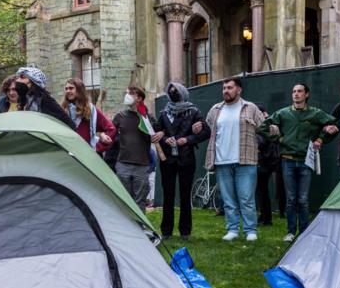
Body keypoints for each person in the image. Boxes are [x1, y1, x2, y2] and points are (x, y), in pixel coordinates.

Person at [258, 83, 338, 242]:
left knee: (302, 199)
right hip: (287, 161)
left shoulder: (315, 114)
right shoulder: (283, 113)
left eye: (300, 91)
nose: (296, 94)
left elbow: (333, 126)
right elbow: (262, 127)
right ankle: (290, 231)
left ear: (306, 94)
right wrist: (279, 139)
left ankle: (304, 232)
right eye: (294, 91)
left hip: (306, 162)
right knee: (291, 199)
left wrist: (321, 139)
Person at [205, 77, 265, 242]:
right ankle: (232, 230)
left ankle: (250, 230)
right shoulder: (215, 109)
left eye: (230, 88)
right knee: (228, 199)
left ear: (239, 90)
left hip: (245, 160)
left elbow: (265, 128)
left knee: (246, 198)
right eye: (224, 88)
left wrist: (274, 128)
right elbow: (207, 129)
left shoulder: (250, 108)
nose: (226, 91)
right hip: (222, 161)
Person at [157, 82, 210, 240]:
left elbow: (206, 131)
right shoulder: (164, 113)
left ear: (183, 93)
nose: (173, 93)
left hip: (186, 159)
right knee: (168, 195)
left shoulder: (193, 111)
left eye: (176, 91)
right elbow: (157, 133)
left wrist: (187, 139)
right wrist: (165, 139)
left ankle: (185, 231)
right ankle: (166, 231)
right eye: (171, 91)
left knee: (185, 196)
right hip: (167, 160)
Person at [113, 85, 162, 212]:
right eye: (126, 92)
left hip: (142, 165)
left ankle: (140, 229)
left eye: (130, 93)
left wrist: (161, 134)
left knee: (139, 200)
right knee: (124, 199)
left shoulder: (148, 118)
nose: (127, 95)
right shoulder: (120, 117)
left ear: (139, 98)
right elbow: (109, 134)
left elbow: (160, 130)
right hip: (123, 164)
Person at [61, 78, 116, 151]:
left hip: (88, 154)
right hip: (70, 153)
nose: (68, 91)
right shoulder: (63, 110)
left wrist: (98, 146)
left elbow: (111, 129)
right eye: (66, 89)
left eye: (71, 88)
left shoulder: (91, 110)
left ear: (79, 90)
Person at [255, 103, 285, 226]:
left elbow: (262, 142)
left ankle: (266, 218)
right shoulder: (272, 122)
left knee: (262, 190)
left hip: (266, 161)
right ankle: (275, 214)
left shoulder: (264, 124)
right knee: (270, 189)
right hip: (274, 159)